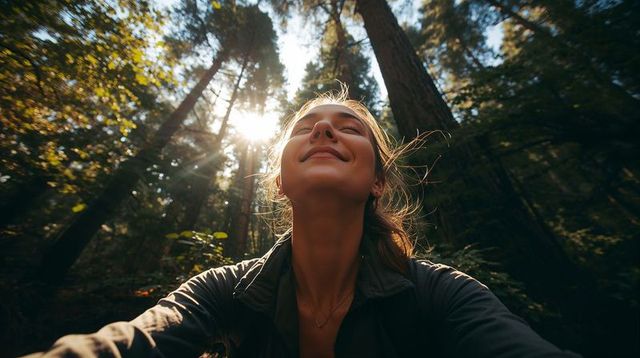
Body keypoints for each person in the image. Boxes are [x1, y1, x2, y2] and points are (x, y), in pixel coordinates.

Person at [25, 92, 581, 357]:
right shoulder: (223, 291)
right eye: (306, 126)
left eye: (348, 127)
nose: (323, 132)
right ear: (280, 182)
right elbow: (130, 344)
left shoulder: (444, 296)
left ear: (378, 182)